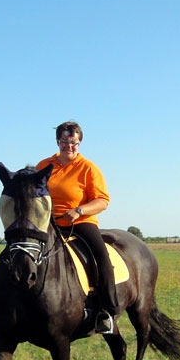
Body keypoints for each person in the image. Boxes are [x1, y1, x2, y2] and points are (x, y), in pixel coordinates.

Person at [36, 121, 119, 334]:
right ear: (57, 142)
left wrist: (79, 211)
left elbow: (102, 200)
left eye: (73, 142)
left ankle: (107, 312)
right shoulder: (44, 166)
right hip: (49, 224)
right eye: (64, 142)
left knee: (101, 258)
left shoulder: (88, 168)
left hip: (80, 223)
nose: (69, 147)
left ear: (79, 143)